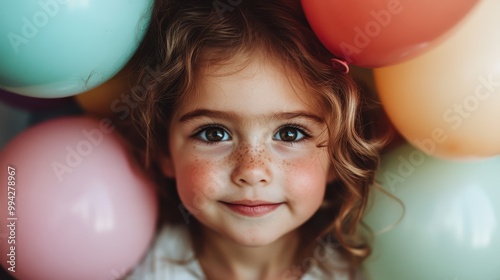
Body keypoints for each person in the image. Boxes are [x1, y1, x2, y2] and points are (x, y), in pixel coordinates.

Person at [122, 0, 383, 279]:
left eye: (289, 133)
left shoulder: (362, 271)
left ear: (337, 154)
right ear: (164, 150)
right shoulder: (138, 267)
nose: (252, 170)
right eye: (214, 134)